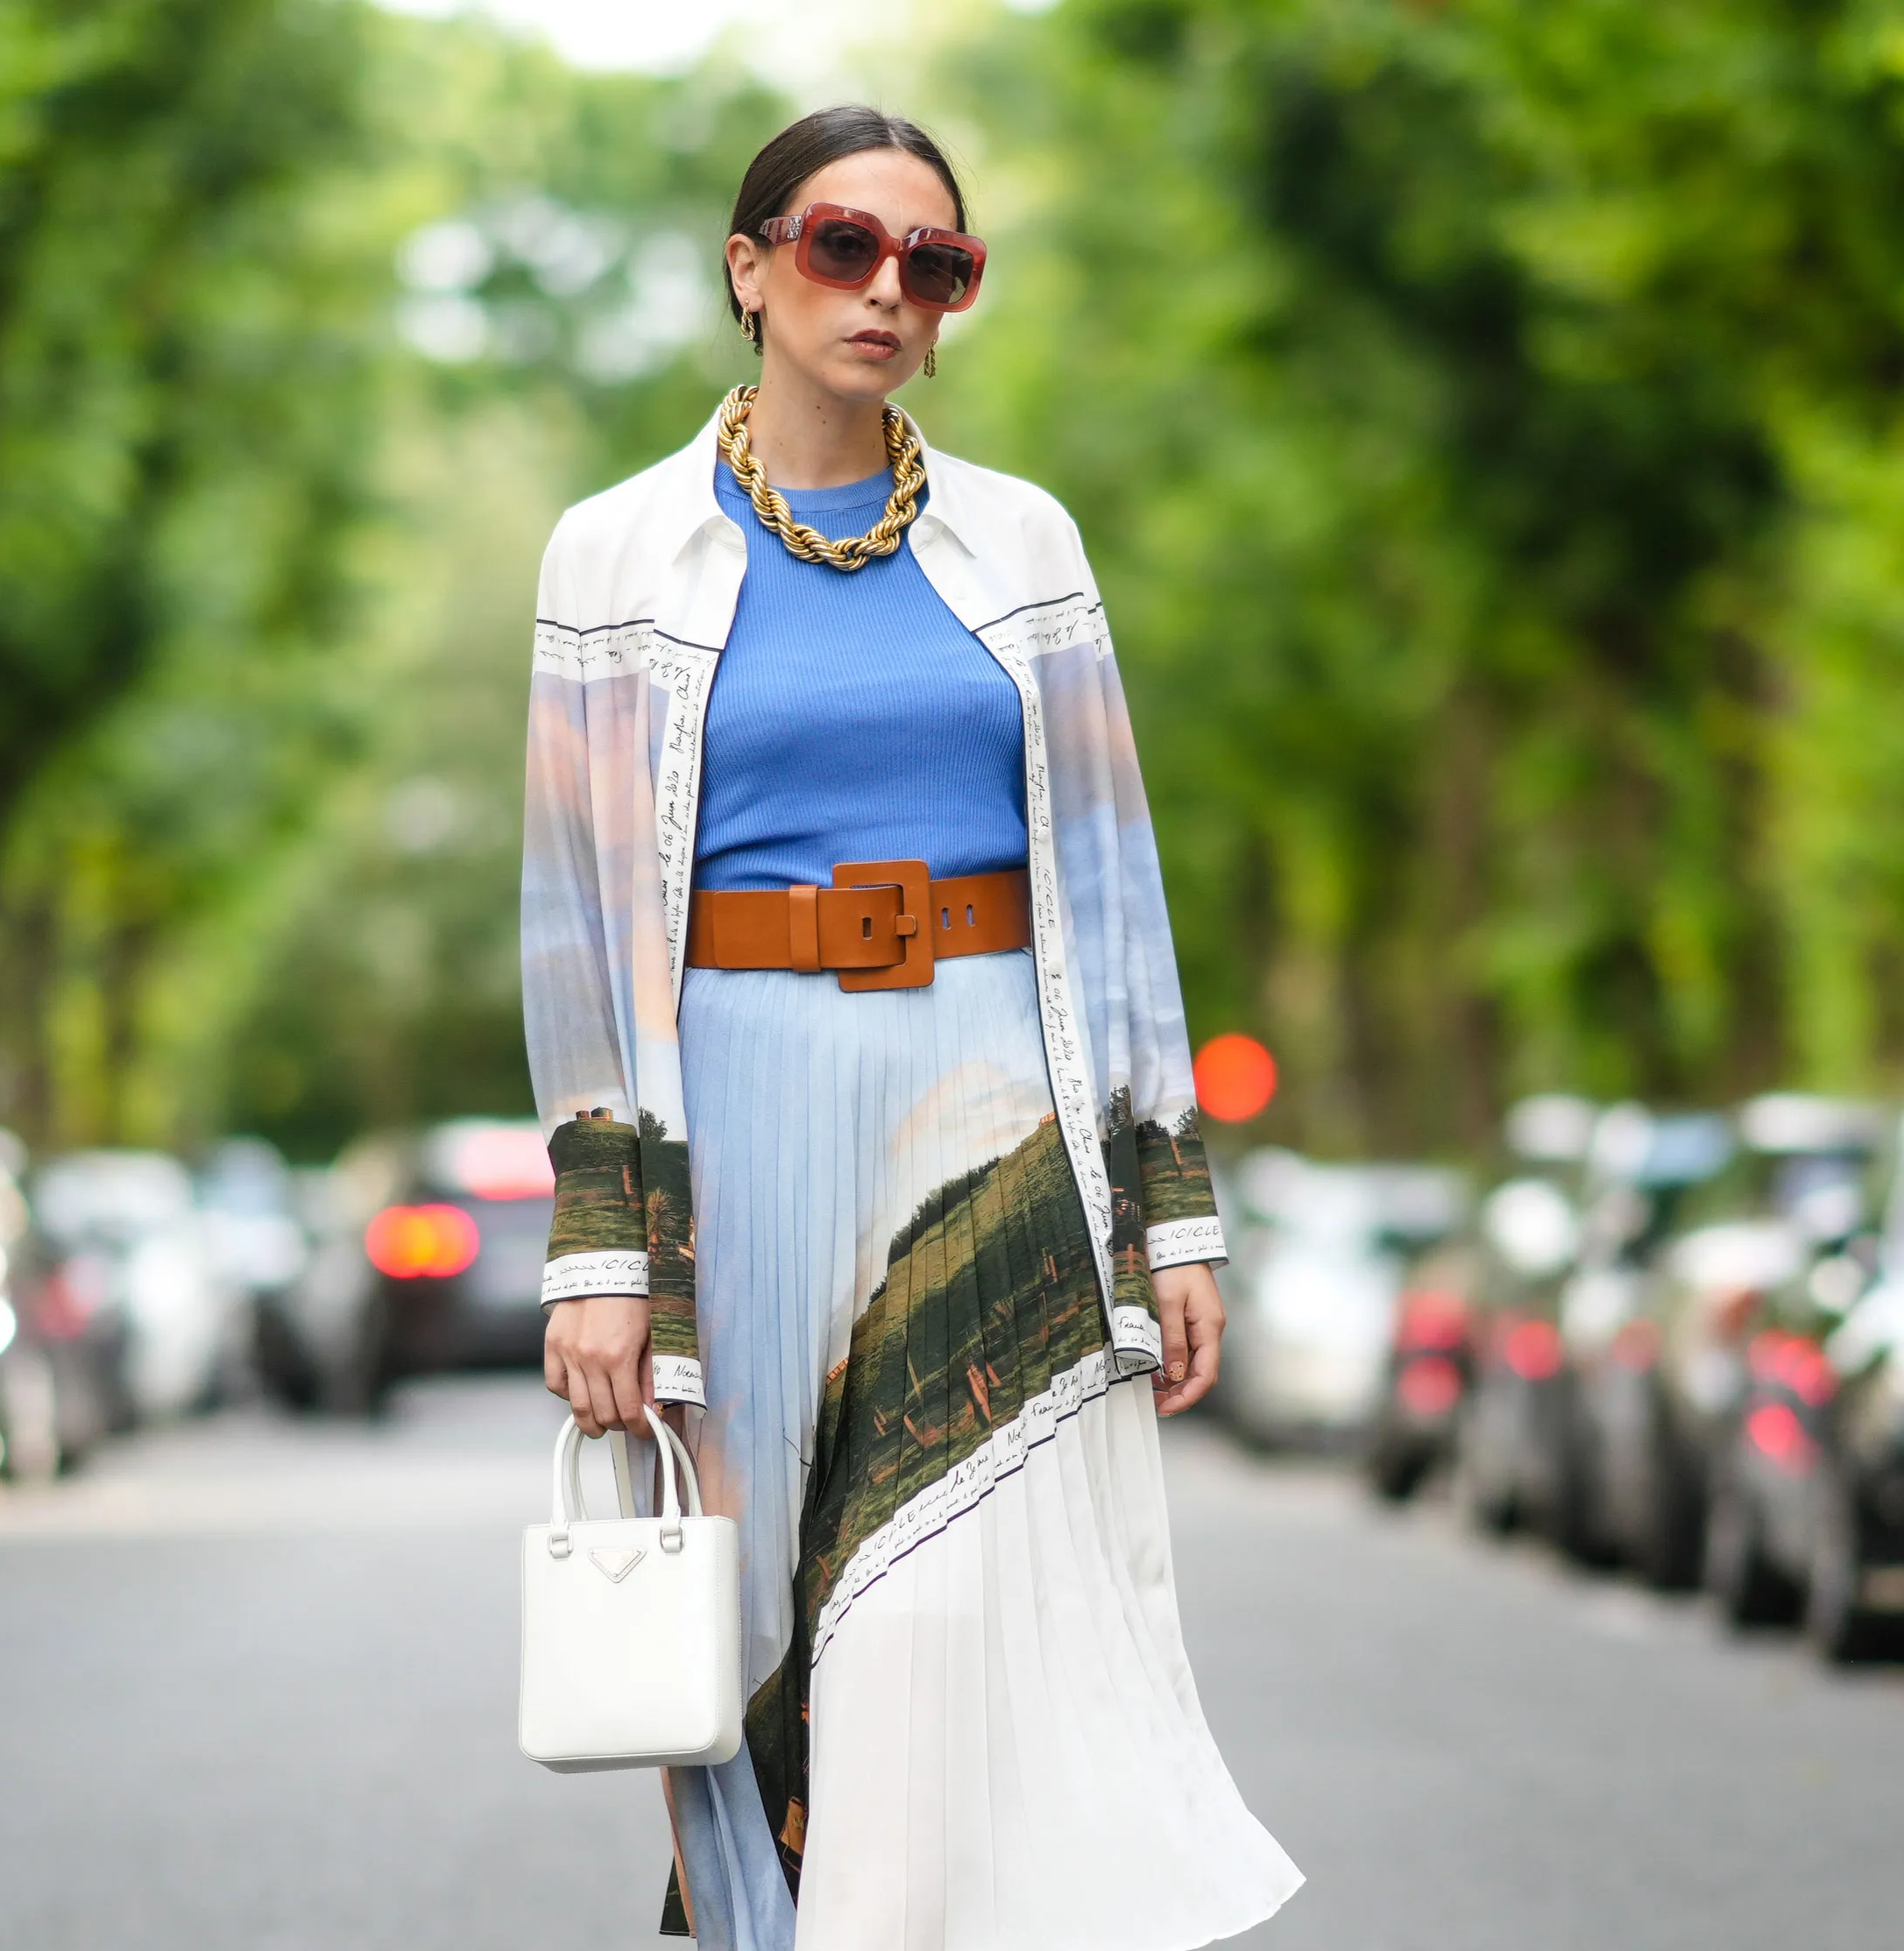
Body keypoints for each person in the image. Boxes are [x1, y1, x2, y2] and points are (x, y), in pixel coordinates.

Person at [521, 103, 1301, 1951]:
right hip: (739, 1104)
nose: (887, 291)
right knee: (755, 1617)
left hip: (984, 1096)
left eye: (933, 265)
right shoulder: (616, 553)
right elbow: (571, 913)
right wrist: (598, 1250)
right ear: (751, 267)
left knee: (948, 1612)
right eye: (842, 247)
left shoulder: (1023, 545)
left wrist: (1169, 1200)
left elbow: (1110, 888)